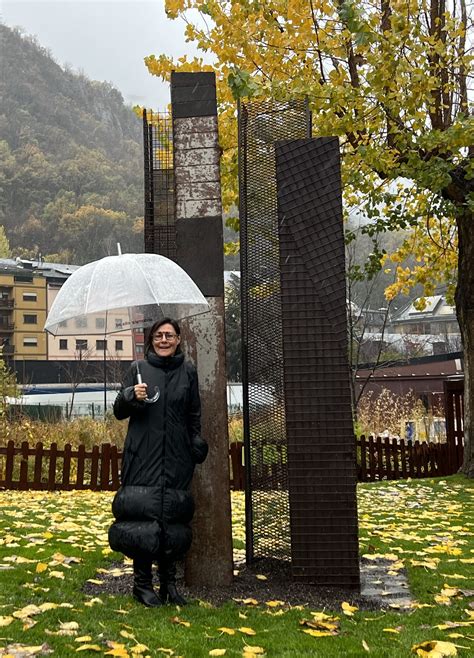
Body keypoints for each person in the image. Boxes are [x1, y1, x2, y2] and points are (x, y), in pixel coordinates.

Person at [108, 318, 208, 607]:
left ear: (178, 340)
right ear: (151, 340)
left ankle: (169, 585)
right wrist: (130, 396)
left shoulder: (187, 372)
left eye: (170, 335)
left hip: (177, 458)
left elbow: (194, 414)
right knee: (144, 517)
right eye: (158, 336)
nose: (164, 340)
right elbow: (117, 411)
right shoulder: (137, 370)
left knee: (172, 519)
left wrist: (195, 441)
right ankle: (142, 585)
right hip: (142, 456)